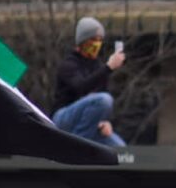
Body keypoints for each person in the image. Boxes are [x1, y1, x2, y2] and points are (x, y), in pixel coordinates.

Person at [53, 16, 126, 147]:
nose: (96, 44)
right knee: (103, 100)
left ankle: (83, 143)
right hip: (64, 117)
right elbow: (81, 87)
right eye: (93, 40)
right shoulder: (69, 64)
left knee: (121, 149)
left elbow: (103, 100)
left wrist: (106, 122)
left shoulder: (97, 65)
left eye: (99, 40)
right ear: (82, 41)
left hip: (89, 122)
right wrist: (108, 68)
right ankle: (78, 147)